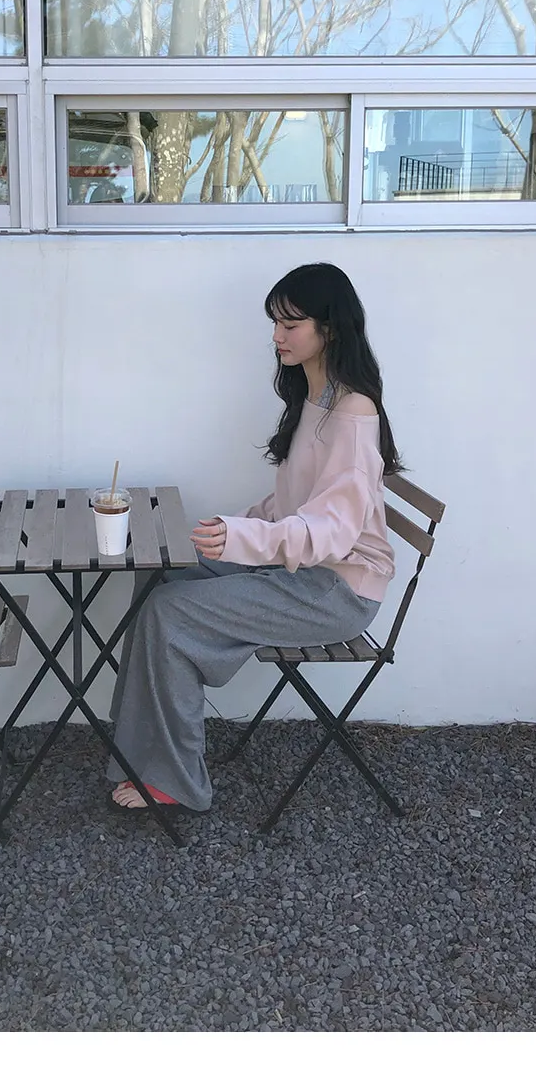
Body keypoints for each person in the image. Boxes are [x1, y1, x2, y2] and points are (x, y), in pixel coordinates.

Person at [109, 263, 398, 820]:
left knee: (171, 611)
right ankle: (141, 754)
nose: (277, 336)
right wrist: (227, 531)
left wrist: (244, 538)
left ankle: (174, 780)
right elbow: (294, 505)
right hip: (303, 571)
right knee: (160, 573)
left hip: (336, 592)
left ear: (329, 328)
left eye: (291, 325)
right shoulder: (316, 397)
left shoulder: (353, 412)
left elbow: (334, 531)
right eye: (275, 324)